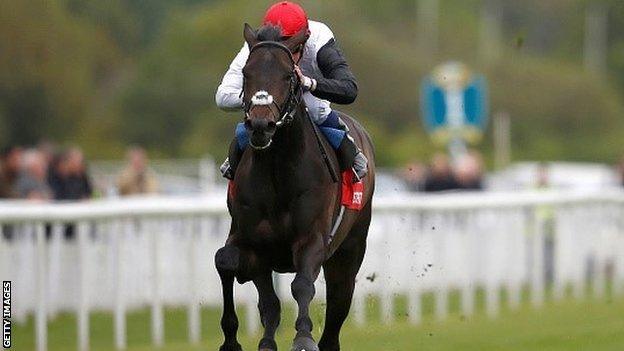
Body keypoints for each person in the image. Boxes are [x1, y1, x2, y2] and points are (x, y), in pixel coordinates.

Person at [216, 1, 368, 181]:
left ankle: (350, 149)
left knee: (315, 110)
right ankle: (236, 156)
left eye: (293, 49)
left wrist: (308, 83)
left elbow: (349, 89)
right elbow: (223, 97)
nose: (286, 57)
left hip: (309, 91)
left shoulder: (320, 40)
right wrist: (262, 99)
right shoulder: (256, 44)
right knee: (259, 115)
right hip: (273, 99)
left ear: (305, 40)